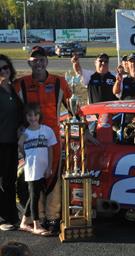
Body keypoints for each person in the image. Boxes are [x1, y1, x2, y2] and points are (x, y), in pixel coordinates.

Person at [14, 46, 72, 233]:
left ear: (46, 62)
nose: (38, 63)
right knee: (34, 177)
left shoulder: (59, 82)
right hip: (31, 138)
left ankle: (53, 217)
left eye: (41, 60)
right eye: (34, 60)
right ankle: (37, 217)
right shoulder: (20, 84)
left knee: (53, 175)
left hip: (52, 138)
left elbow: (74, 107)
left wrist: (84, 130)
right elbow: (10, 107)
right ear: (29, 63)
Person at [18, 103, 56, 236]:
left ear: (39, 116)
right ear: (26, 117)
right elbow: (20, 147)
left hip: (43, 168)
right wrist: (26, 156)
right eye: (29, 115)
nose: (33, 117)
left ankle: (23, 222)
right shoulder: (25, 133)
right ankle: (36, 225)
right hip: (32, 169)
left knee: (34, 195)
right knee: (34, 197)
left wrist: (49, 167)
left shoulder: (47, 130)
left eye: (35, 115)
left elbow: (50, 149)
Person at [0, 54, 23, 231]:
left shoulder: (13, 89)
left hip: (12, 142)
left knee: (10, 179)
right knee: (2, 181)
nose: (3, 71)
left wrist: (22, 127)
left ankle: (12, 215)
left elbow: (20, 114)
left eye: (5, 67)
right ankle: (4, 218)